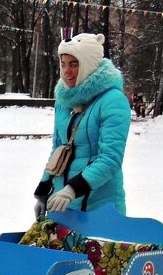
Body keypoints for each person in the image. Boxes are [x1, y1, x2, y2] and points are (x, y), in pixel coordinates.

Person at [34, 32, 130, 219]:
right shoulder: (64, 99)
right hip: (63, 205)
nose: (66, 71)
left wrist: (72, 189)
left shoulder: (113, 100)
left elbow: (110, 159)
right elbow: (58, 149)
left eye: (74, 64)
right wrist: (43, 192)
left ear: (89, 64)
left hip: (100, 209)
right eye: (63, 64)